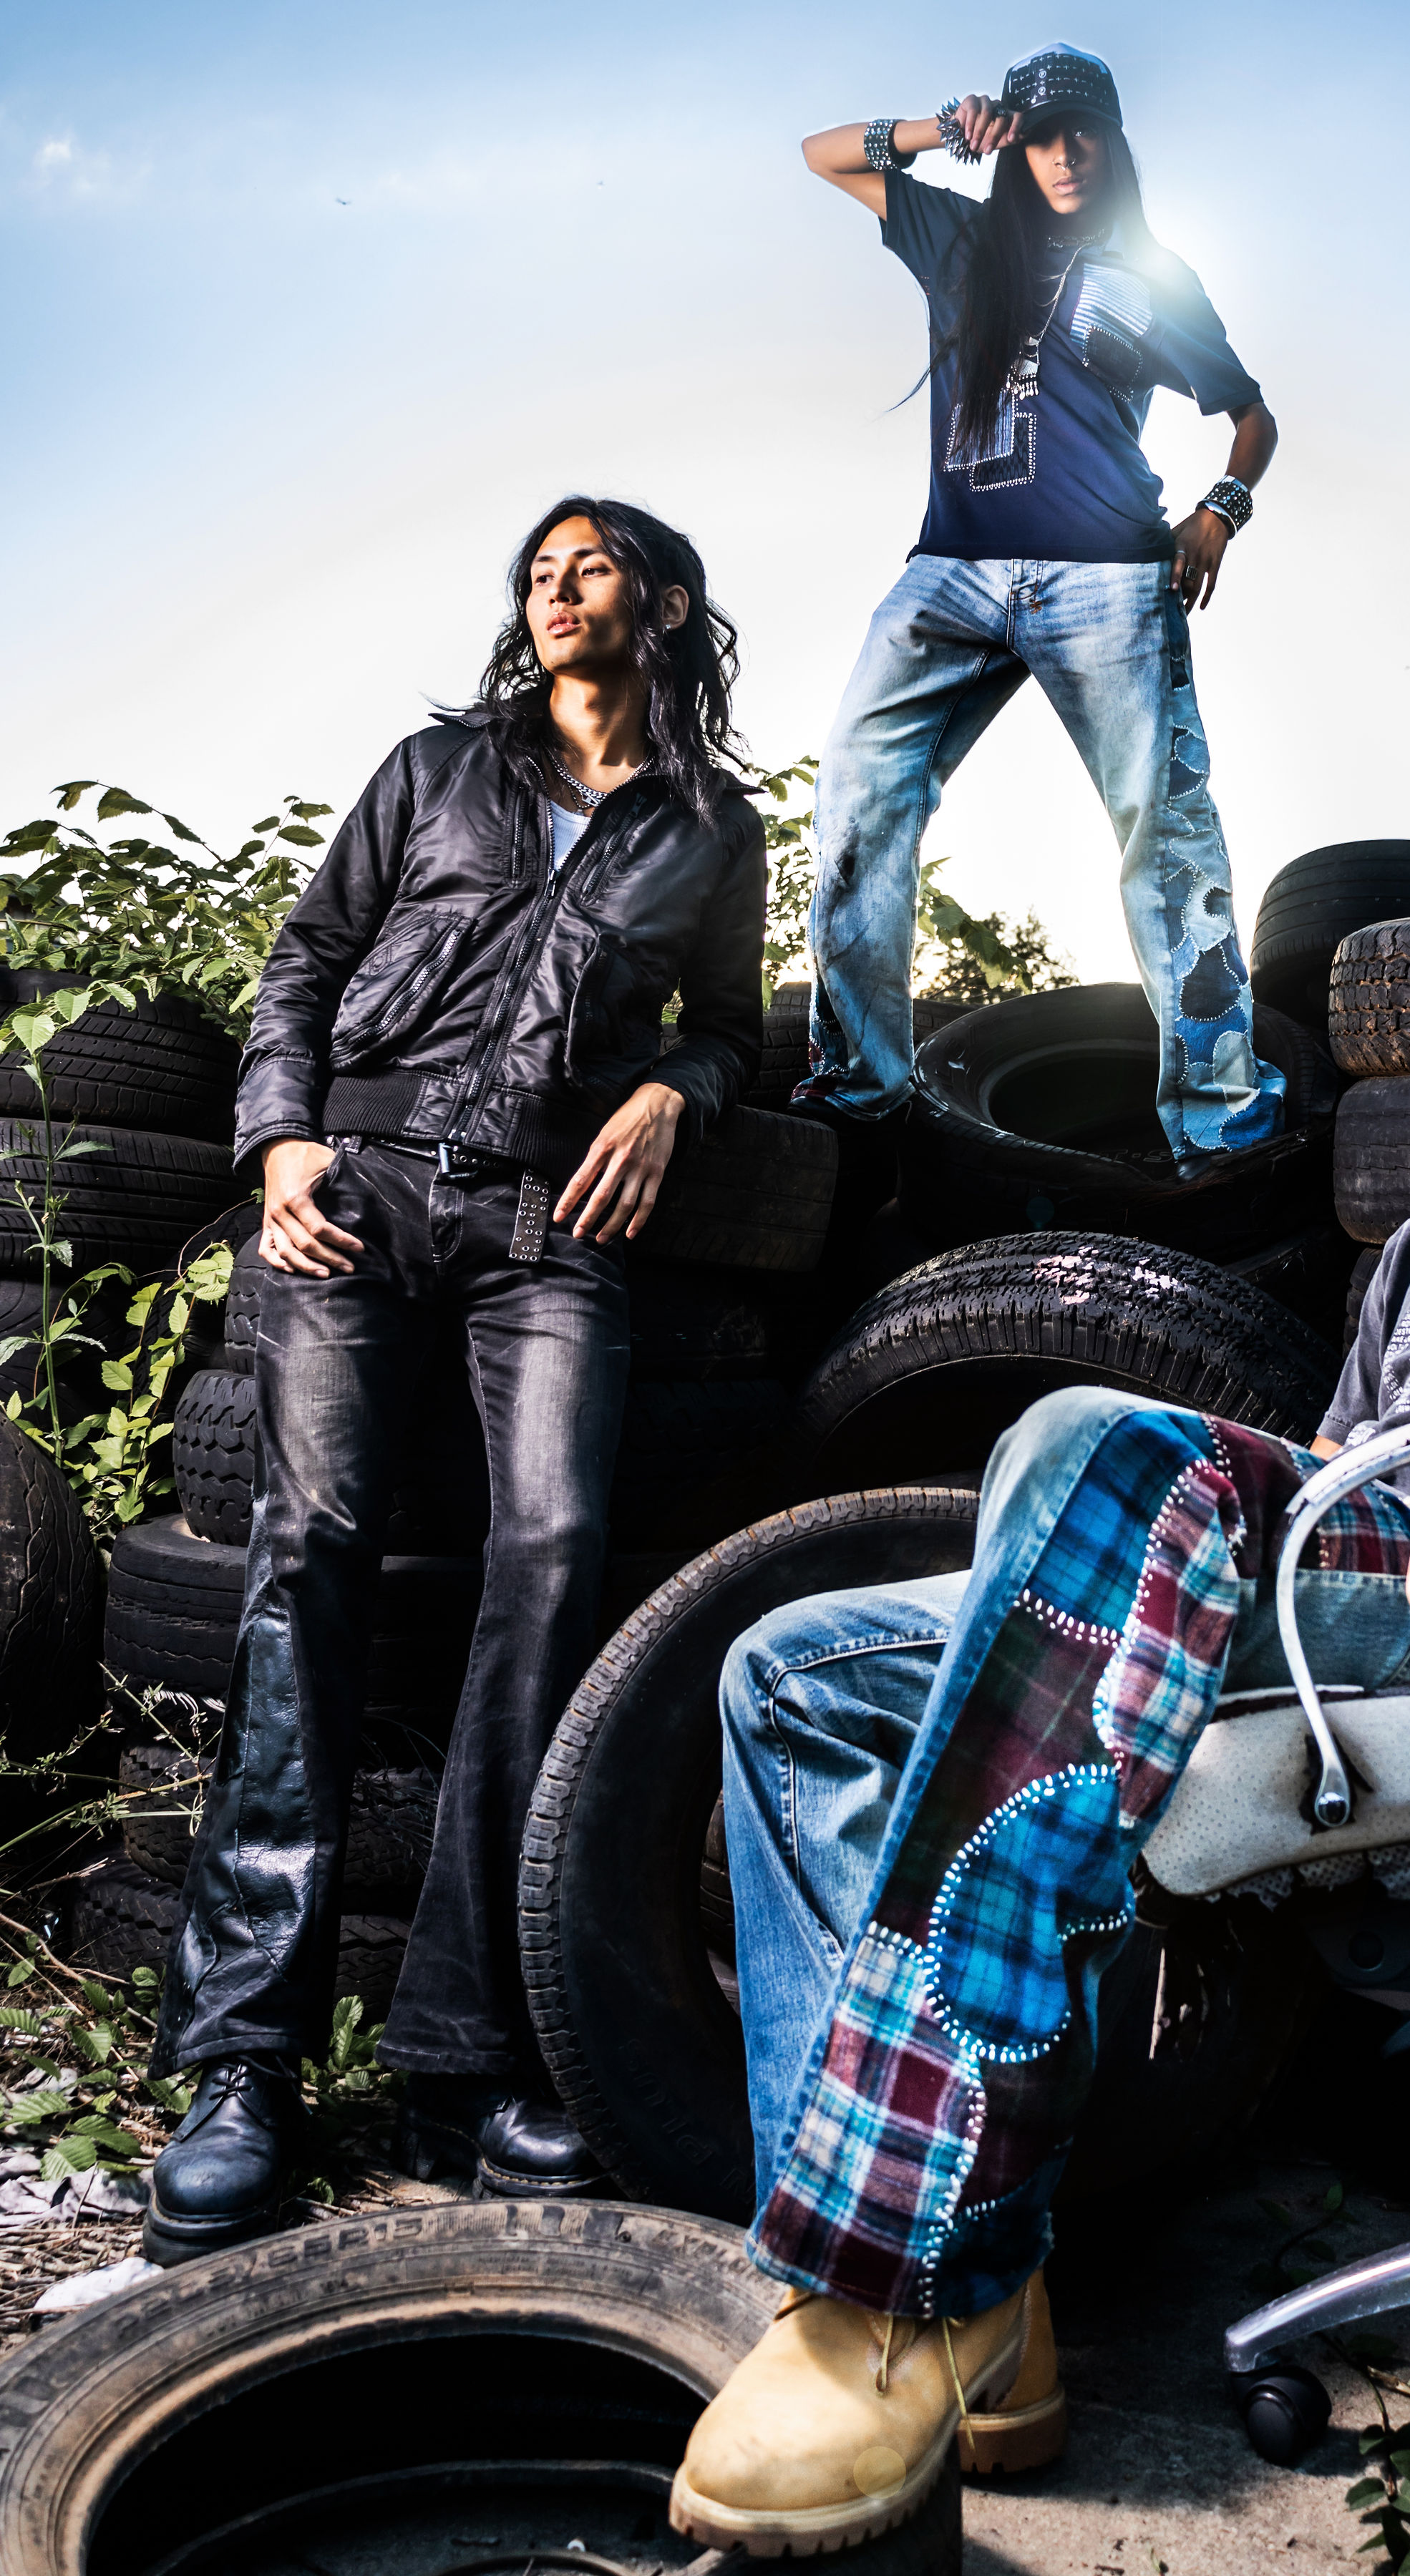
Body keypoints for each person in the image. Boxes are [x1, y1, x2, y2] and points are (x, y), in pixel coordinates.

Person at [668, 862, 1410, 2554]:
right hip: (1331, 1570)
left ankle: (889, 2284)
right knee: (793, 1670)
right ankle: (989, 2288)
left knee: (1094, 1442)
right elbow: (1327, 1464)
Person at [142, 499, 767, 2265]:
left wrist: (679, 1092)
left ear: (663, 600)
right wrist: (279, 1140)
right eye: (537, 573)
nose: (555, 590)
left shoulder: (711, 824)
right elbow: (304, 963)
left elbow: (727, 1023)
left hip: (551, 1224)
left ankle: (463, 2055)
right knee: (309, 1549)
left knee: (555, 1559)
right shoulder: (436, 771)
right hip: (356, 1192)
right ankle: (246, 2061)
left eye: (590, 566)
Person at [795, 43, 1286, 1176]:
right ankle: (858, 1091)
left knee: (1165, 835)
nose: (1068, 155)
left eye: (1086, 134)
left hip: (1108, 576)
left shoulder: (1153, 275)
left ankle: (1222, 1128)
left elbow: (1252, 415)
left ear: (1114, 144)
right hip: (951, 571)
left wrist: (1221, 510)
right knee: (858, 796)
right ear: (1014, 147)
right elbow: (822, 156)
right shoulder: (960, 240)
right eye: (1042, 135)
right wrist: (943, 130)